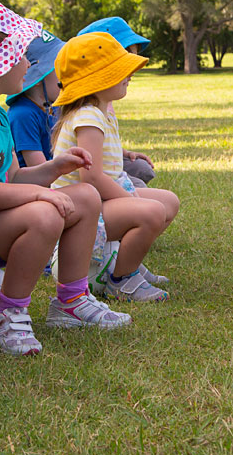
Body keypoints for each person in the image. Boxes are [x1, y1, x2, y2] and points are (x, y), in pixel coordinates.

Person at [0, 1, 129, 356]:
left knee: (85, 195)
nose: (28, 64)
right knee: (44, 214)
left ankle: (71, 301)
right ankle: (7, 314)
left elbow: (14, 176)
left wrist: (55, 169)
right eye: (22, 54)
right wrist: (39, 196)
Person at [51, 33, 174, 301]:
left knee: (169, 202)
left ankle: (124, 261)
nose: (129, 75)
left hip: (100, 199)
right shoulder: (88, 117)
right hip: (82, 210)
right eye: (120, 71)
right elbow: (92, 178)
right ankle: (122, 280)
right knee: (152, 211)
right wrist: (131, 200)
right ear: (96, 80)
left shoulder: (101, 111)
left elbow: (104, 164)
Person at [76, 17, 158, 189]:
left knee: (143, 170)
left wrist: (124, 153)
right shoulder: (86, 113)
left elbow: (103, 143)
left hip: (106, 169)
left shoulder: (105, 101)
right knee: (140, 187)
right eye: (127, 60)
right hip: (88, 183)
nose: (133, 70)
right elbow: (89, 170)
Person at [6, 27, 64, 169]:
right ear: (38, 78)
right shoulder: (23, 114)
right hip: (41, 179)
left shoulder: (53, 107)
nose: (66, 75)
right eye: (59, 69)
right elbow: (40, 168)